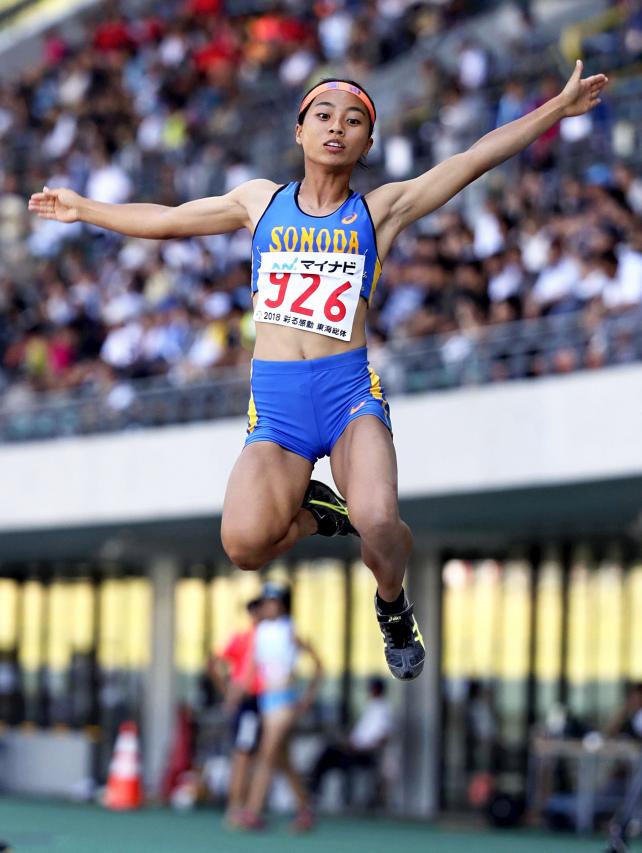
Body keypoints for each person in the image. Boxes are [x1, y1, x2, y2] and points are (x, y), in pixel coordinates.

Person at [28, 62, 608, 681]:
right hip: (277, 410)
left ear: (367, 143)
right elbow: (167, 219)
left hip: (348, 397)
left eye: (354, 120)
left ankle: (392, 607)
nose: (338, 128)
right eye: (324, 117)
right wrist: (85, 209)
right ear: (299, 132)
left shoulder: (380, 211)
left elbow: (472, 159)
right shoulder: (259, 203)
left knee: (380, 520)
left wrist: (554, 109)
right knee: (245, 547)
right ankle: (318, 515)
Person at [238, 581, 322, 831]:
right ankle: (305, 809)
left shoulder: (289, 631)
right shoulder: (261, 631)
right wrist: (240, 693)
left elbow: (319, 665)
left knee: (266, 753)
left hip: (285, 700)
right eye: (266, 602)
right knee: (282, 760)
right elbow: (252, 668)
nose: (268, 607)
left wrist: (307, 697)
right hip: (267, 700)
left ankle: (252, 810)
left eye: (272, 602)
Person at [208, 596, 264, 828]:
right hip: (250, 703)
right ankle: (236, 807)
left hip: (266, 703)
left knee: (262, 757)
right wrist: (228, 691)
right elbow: (213, 663)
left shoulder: (269, 638)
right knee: (243, 755)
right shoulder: (246, 638)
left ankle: (247, 807)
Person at [308, 675, 393, 805]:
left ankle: (314, 788)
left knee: (329, 753)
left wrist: (359, 747)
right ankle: (314, 787)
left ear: (375, 689)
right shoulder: (372, 706)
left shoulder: (382, 709)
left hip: (363, 754)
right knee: (328, 751)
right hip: (354, 749)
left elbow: (383, 737)